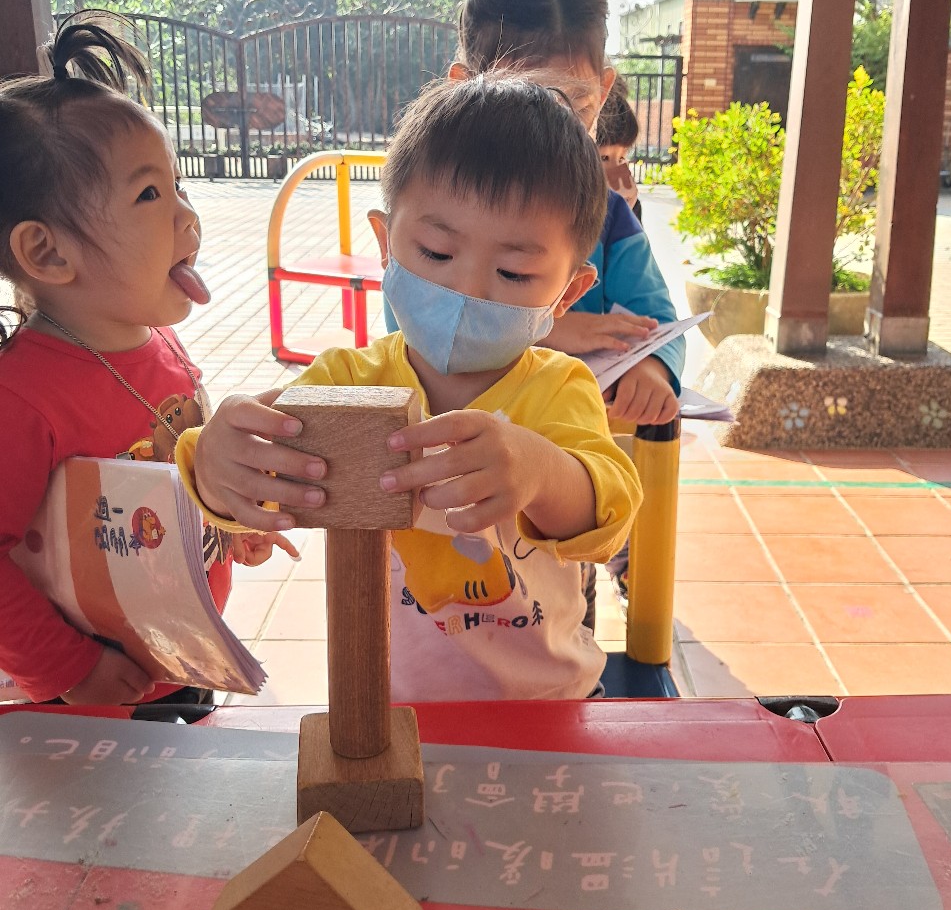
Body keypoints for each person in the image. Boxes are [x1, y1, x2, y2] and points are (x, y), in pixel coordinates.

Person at [177, 74, 642, 701]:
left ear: (568, 292)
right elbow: (255, 476)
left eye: (513, 272)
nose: (466, 289)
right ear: (385, 244)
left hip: (549, 704)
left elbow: (610, 514)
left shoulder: (559, 388)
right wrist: (215, 467)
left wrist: (540, 471)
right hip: (384, 707)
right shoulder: (347, 381)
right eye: (435, 253)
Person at [0, 14, 290, 714]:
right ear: (47, 253)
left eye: (179, 185)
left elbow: (174, 472)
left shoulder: (156, 342)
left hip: (181, 654)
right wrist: (71, 670)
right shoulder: (23, 398)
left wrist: (228, 525)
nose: (188, 216)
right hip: (86, 696)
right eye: (150, 195)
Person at [453, 0, 685, 614]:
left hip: (570, 487)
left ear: (602, 94)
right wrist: (558, 329)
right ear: (462, 90)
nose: (545, 135)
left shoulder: (608, 216)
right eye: (523, 102)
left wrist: (654, 369)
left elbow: (658, 320)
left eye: (572, 106)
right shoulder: (441, 214)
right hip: (455, 492)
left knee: (561, 615)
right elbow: (408, 333)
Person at [596, 76, 642, 225]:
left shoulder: (631, 206)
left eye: (622, 159)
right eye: (604, 158)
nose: (617, 171)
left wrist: (625, 214)